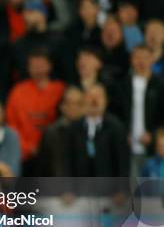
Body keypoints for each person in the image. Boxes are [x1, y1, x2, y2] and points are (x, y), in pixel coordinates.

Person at [6, 49, 65, 175]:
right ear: (28, 68)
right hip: (25, 156)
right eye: (34, 66)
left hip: (55, 154)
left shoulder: (60, 90)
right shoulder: (18, 91)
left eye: (41, 65)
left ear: (50, 66)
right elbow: (12, 125)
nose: (38, 69)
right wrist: (27, 147)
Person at [118, 45, 164, 177]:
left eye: (145, 57)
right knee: (133, 191)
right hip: (127, 148)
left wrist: (153, 135)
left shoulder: (160, 86)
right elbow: (117, 115)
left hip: (155, 150)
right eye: (137, 57)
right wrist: (123, 134)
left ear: (152, 60)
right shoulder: (121, 86)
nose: (141, 61)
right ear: (131, 60)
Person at [66, 84, 129, 177]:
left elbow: (122, 161)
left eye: (99, 96)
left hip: (108, 187)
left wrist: (121, 189)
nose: (94, 101)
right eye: (90, 96)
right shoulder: (74, 128)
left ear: (106, 101)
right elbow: (68, 160)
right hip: (80, 187)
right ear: (84, 100)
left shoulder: (116, 128)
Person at [37, 87, 85, 176]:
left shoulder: (92, 131)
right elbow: (44, 168)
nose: (74, 107)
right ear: (62, 106)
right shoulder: (52, 133)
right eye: (70, 103)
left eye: (79, 104)